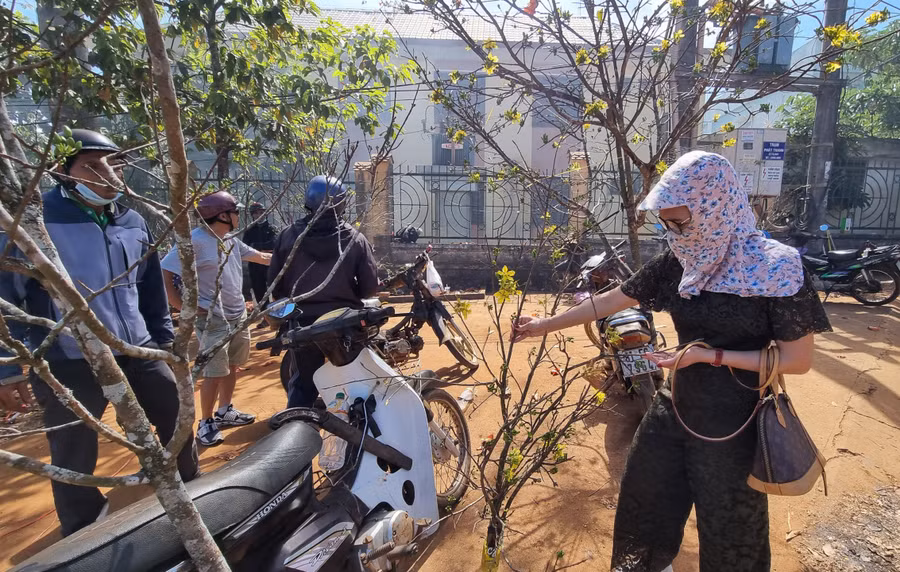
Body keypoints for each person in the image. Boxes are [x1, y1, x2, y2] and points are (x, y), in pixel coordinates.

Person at [513, 151, 831, 572]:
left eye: (682, 221)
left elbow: (797, 360)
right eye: (666, 223)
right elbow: (613, 298)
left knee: (731, 529)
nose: (675, 233)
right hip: (673, 410)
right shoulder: (681, 258)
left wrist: (710, 356)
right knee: (644, 504)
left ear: (715, 206)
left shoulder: (776, 268)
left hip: (733, 426)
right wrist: (544, 324)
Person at [0, 129, 199, 536]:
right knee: (73, 447)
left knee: (175, 414)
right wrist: (9, 368)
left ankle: (194, 491)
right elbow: (9, 298)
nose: (108, 174)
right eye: (92, 165)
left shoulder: (132, 220)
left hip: (138, 349)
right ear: (62, 172)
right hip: (67, 356)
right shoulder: (36, 221)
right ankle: (83, 530)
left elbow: (149, 292)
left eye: (114, 164)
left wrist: (165, 345)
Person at [161, 191, 271, 447]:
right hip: (213, 320)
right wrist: (182, 307)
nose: (238, 216)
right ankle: (206, 422)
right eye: (235, 212)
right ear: (223, 215)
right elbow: (165, 271)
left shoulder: (230, 238)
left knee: (232, 366)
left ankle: (225, 411)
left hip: (237, 315)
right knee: (213, 372)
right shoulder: (194, 241)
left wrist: (297, 256)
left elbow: (262, 257)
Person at [268, 175, 378, 408]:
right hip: (343, 322)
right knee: (359, 380)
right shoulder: (355, 239)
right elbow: (369, 288)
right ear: (342, 204)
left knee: (302, 386)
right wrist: (348, 292)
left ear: (308, 202)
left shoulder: (288, 237)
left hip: (301, 323)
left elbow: (275, 285)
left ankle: (296, 430)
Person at [242, 202, 278, 328]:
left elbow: (274, 245)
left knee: (276, 289)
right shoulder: (249, 231)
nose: (259, 215)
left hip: (271, 265)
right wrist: (260, 250)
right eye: (256, 213)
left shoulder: (272, 228)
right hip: (255, 266)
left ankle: (280, 317)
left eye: (261, 212)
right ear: (252, 215)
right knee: (260, 292)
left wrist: (257, 249)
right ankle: (266, 318)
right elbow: (245, 247)